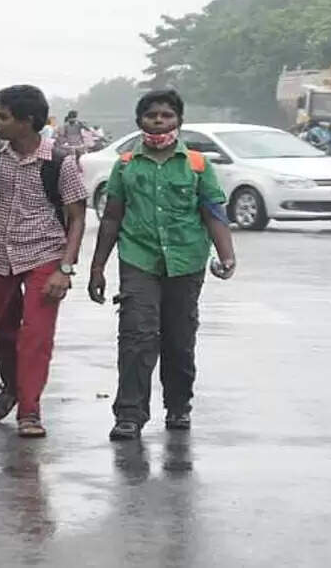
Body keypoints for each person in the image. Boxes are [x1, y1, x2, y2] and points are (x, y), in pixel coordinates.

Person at [88, 89, 237, 441]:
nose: (159, 121)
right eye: (151, 115)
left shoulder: (197, 165)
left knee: (179, 338)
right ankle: (129, 414)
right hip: (138, 258)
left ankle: (179, 405)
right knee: (136, 335)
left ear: (179, 121)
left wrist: (227, 255)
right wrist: (97, 267)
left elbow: (213, 212)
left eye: (167, 115)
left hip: (186, 260)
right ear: (140, 121)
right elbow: (112, 218)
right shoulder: (126, 165)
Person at [0, 85, 87, 438]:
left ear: (27, 121)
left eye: (2, 117)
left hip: (44, 254)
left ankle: (29, 410)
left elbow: (77, 217)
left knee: (35, 335)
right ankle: (12, 387)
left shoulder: (59, 162)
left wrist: (65, 268)